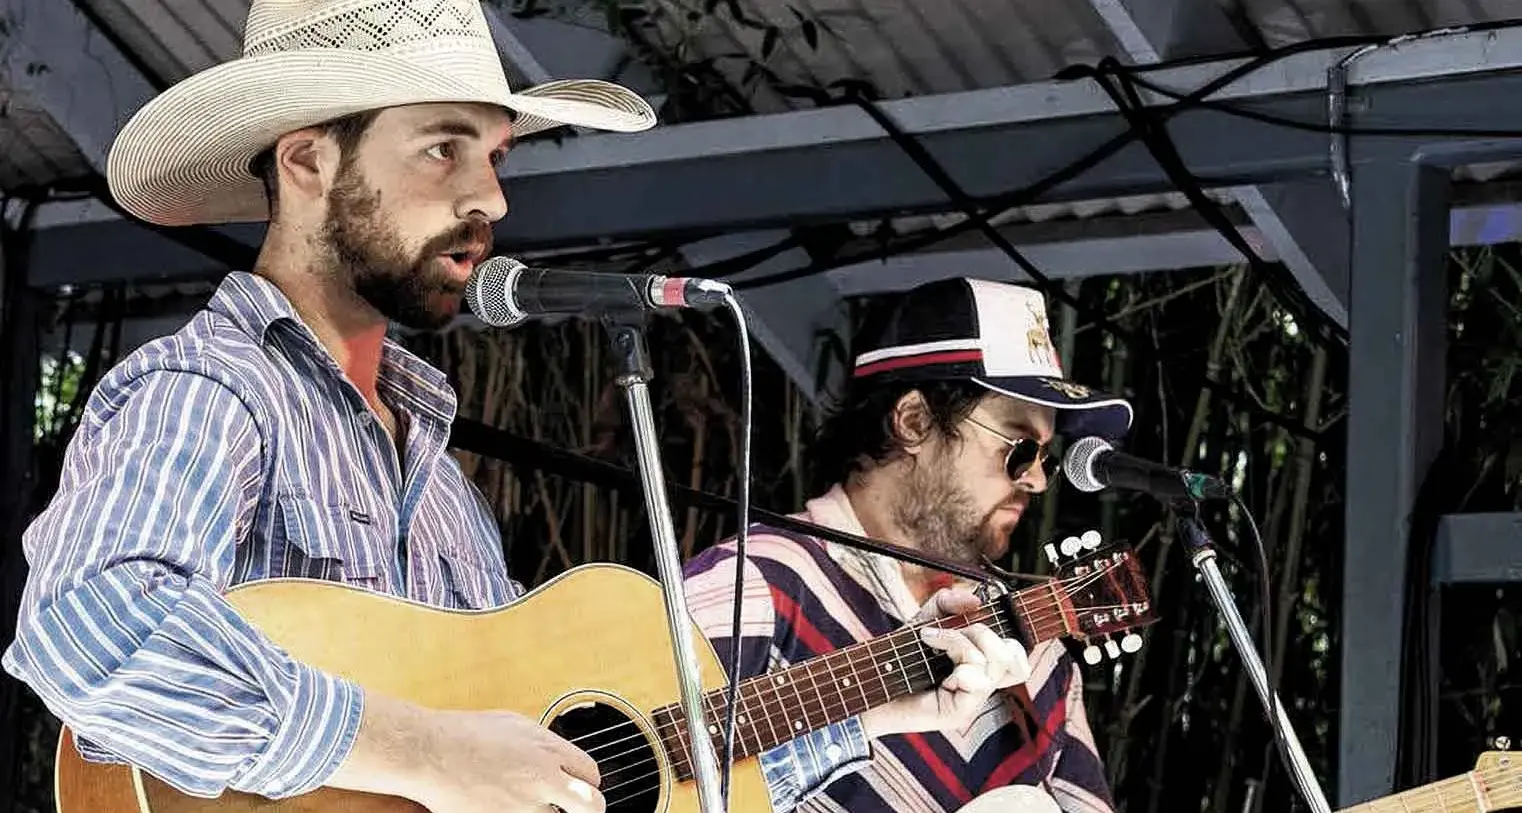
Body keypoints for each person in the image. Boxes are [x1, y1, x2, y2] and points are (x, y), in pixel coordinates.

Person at [2, 3, 1032, 813]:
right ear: (308, 159)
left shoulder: (445, 490)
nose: (491, 199)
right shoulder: (206, 391)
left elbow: (566, 776)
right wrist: (427, 752)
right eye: (441, 148)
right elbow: (93, 636)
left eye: (495, 156)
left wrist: (872, 707)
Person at [683, 277, 1135, 813]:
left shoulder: (1035, 653)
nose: (1036, 480)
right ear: (915, 422)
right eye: (1019, 451)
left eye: (1046, 460)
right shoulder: (760, 581)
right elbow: (627, 774)